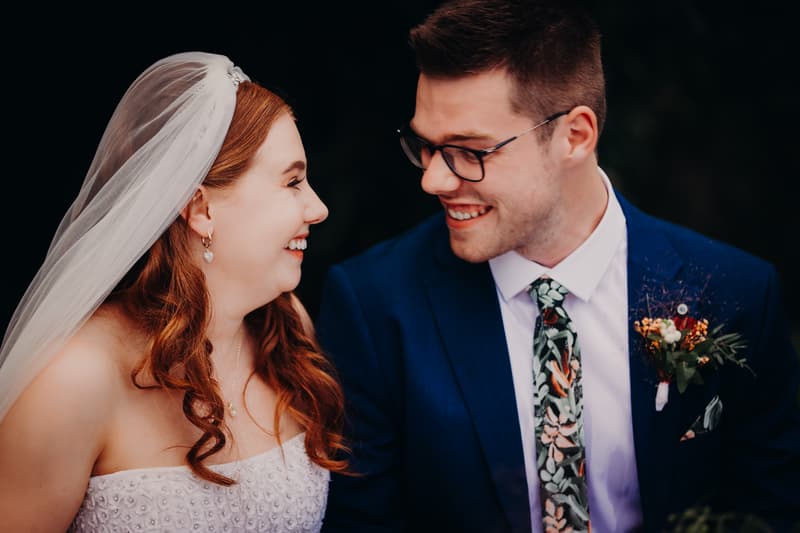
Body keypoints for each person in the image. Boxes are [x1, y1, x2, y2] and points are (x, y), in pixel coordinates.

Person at [316, 1, 800, 531]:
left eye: (469, 151)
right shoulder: (374, 304)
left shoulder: (735, 294)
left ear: (575, 136)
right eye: (426, 147)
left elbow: (768, 510)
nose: (433, 180)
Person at [0, 51, 348, 532]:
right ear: (201, 208)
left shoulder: (284, 330)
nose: (318, 208)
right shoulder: (74, 380)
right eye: (292, 181)